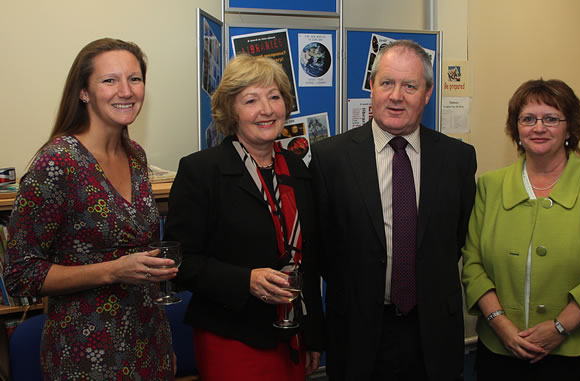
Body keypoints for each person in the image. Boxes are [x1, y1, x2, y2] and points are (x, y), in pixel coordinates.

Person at [3, 38, 178, 379]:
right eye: (109, 80)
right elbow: (20, 273)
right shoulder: (57, 162)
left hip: (148, 341)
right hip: (86, 351)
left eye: (135, 79)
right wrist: (112, 270)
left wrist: (163, 345)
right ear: (84, 92)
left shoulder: (136, 156)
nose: (125, 91)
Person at [309, 40, 477, 380]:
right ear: (372, 87)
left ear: (427, 94)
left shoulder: (457, 159)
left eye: (410, 86)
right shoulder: (330, 158)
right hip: (357, 332)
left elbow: (457, 238)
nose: (396, 95)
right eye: (387, 82)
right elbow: (318, 254)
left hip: (433, 333)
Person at [164, 54, 324, 381]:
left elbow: (310, 262)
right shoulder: (201, 171)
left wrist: (313, 335)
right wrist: (245, 280)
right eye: (251, 100)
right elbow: (181, 264)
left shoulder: (298, 170)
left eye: (274, 97)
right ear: (231, 110)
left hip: (292, 333)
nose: (266, 109)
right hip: (232, 337)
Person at [461, 79, 580, 380]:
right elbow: (472, 263)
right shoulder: (491, 185)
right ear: (516, 128)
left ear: (570, 128)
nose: (538, 127)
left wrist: (560, 327)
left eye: (551, 118)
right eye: (528, 119)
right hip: (502, 350)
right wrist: (499, 323)